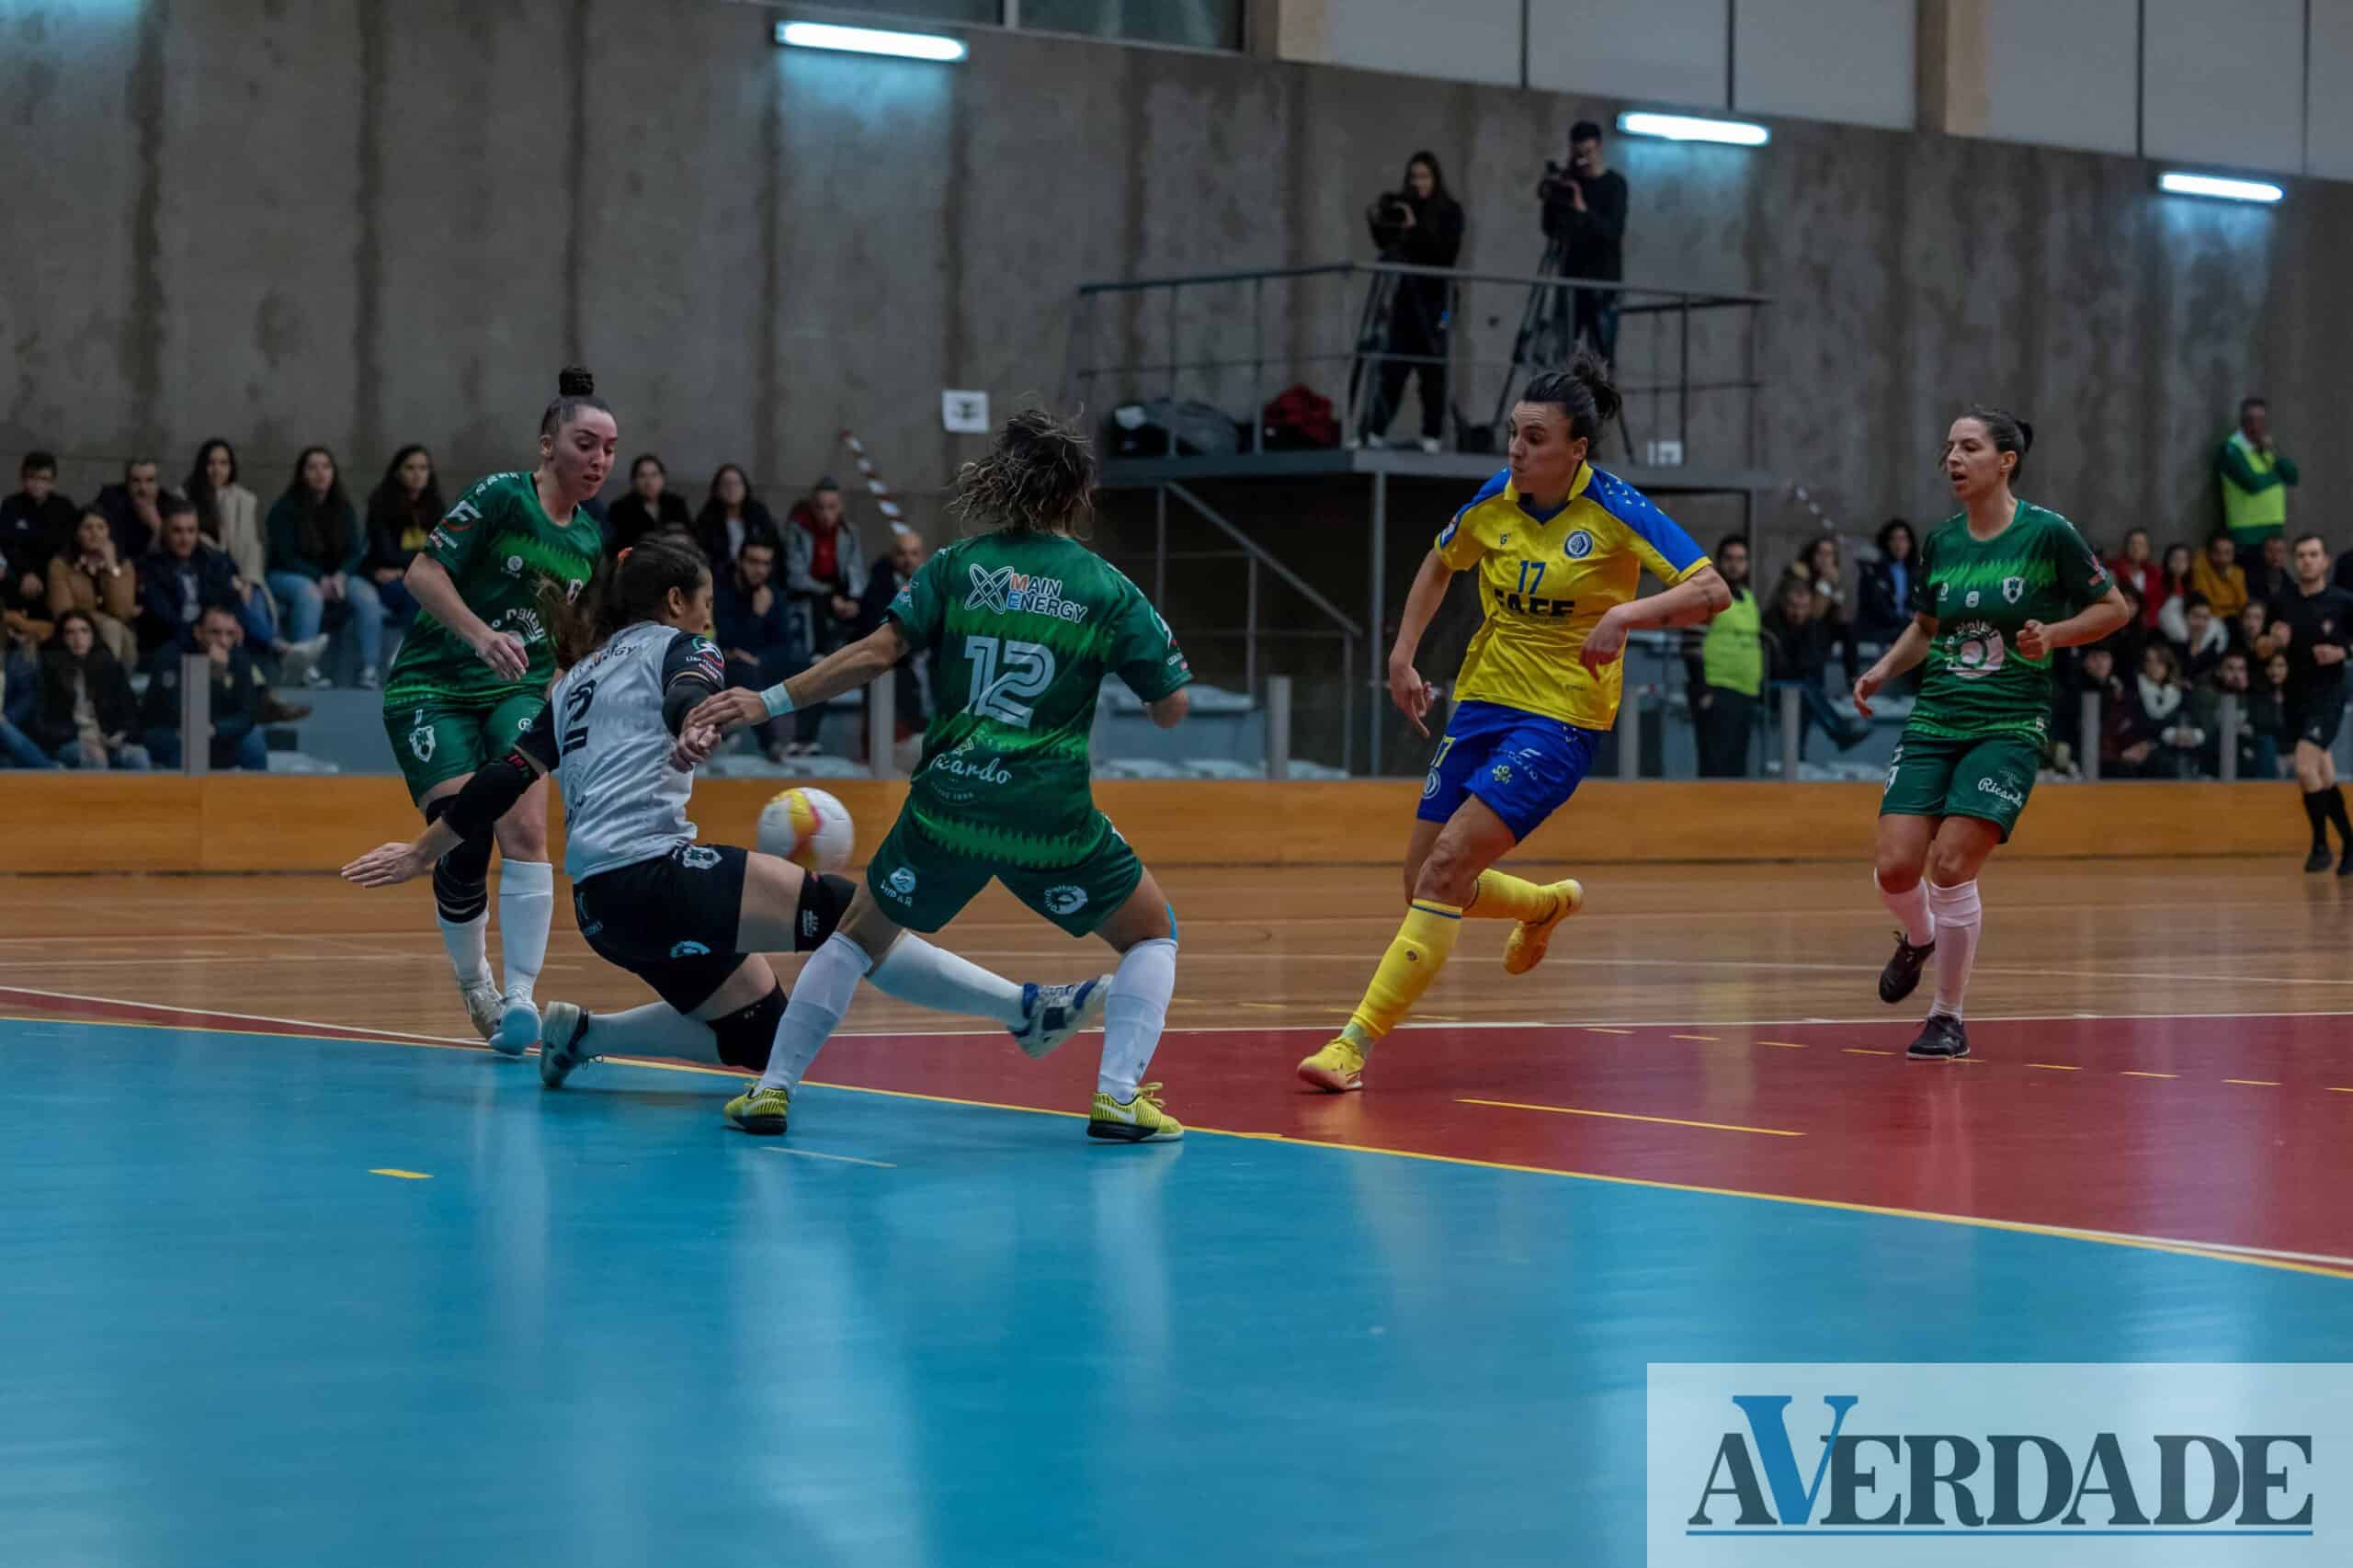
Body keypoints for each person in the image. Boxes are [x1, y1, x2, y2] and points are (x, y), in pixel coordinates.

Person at [340, 535, 1108, 1099]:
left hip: (604, 911)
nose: (709, 621)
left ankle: (583, 1037)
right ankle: (1023, 1011)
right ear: (677, 603)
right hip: (659, 875)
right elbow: (688, 688)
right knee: (857, 912)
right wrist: (693, 721)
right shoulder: (682, 648)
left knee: (760, 1033)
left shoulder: (572, 684)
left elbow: (501, 779)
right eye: (705, 605)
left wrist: (423, 851)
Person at [688, 410, 1199, 1142]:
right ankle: (1117, 1096)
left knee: (857, 935)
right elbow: (1172, 710)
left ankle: (772, 1090)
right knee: (1153, 933)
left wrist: (767, 700)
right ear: (1075, 495)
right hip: (1048, 817)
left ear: (1002, 483)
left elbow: (872, 654)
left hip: (948, 805)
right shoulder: (1106, 588)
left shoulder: (958, 566)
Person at [1299, 355, 1730, 1093]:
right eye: (1513, 434)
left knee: (1446, 869)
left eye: (1535, 439)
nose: (1517, 451)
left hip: (1562, 716)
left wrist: (1627, 614)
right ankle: (1543, 904)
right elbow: (1441, 563)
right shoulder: (1494, 499)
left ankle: (1352, 1044)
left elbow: (1713, 590)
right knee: (1421, 881)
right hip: (1482, 700)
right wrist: (1403, 656)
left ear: (1577, 450)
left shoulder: (1618, 510)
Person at [1855, 408, 2129, 1059]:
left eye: (1969, 447)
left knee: (1951, 863)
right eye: (1948, 447)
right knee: (1896, 869)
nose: (1952, 458)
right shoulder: (1943, 542)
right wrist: (1882, 671)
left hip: (2008, 720)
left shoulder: (2047, 534)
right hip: (1936, 716)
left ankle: (1947, 1015)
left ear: (2005, 461)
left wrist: (2054, 635)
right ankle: (1919, 938)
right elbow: (1926, 627)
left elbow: (2114, 608)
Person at [379, 368, 611, 1050]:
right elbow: (422, 572)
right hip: (433, 684)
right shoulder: (502, 498)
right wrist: (481, 636)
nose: (598, 460)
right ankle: (474, 980)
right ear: (548, 446)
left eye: (609, 448)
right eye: (584, 444)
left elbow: (567, 643)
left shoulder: (590, 542)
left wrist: (568, 696)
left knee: (527, 832)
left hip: (517, 690)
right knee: (464, 834)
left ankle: (519, 998)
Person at [1360, 151, 1465, 453]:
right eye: (1413, 177)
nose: (1417, 183)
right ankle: (1375, 431)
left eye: (1423, 177)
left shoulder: (1449, 212)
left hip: (1439, 302)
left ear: (1435, 179)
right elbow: (1387, 245)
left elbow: (1445, 255)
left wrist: (1414, 228)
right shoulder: (1404, 206)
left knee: (1433, 370)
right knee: (1392, 368)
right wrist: (1378, 220)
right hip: (1406, 300)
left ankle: (1432, 435)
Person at [2264, 532, 2353, 872]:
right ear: (2294, 560)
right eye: (2301, 555)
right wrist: (2272, 641)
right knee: (2323, 775)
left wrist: (2342, 652)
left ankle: (2320, 847)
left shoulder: (2343, 602)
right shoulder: (2282, 601)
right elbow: (2260, 648)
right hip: (2296, 694)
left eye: (2314, 554)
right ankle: (2350, 844)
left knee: (2303, 767)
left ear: (2326, 560)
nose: (2307, 560)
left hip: (2330, 694)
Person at [266, 446, 384, 687]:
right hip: (287, 574)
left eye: (326, 466)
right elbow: (285, 555)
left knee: (368, 596)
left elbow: (355, 551)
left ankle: (369, 669)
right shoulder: (284, 509)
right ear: (302, 474)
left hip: (334, 577)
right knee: (310, 595)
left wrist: (341, 576)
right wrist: (320, 579)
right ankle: (305, 667)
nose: (320, 473)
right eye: (312, 467)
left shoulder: (343, 507)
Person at [184, 438, 304, 673]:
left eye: (223, 463)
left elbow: (251, 544)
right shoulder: (185, 496)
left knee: (255, 599)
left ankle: (268, 667)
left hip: (240, 574)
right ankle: (278, 653)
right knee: (240, 606)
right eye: (211, 463)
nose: (217, 469)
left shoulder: (244, 500)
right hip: (208, 575)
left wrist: (248, 580)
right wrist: (233, 582)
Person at [781, 477, 868, 756]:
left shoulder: (849, 532)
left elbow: (856, 571)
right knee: (814, 668)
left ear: (840, 507)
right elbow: (796, 576)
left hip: (839, 600)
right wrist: (829, 597)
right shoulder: (797, 530)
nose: (826, 514)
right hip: (807, 602)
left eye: (832, 507)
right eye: (820, 507)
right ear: (811, 507)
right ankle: (804, 737)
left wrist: (853, 600)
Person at [1540, 121, 1629, 367]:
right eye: (1578, 154)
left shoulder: (1615, 185)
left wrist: (1582, 208)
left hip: (1603, 285)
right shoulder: (1569, 183)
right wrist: (1554, 194)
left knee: (1602, 360)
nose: (1583, 160)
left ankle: (1602, 405)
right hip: (1570, 281)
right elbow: (1550, 228)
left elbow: (1612, 232)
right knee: (1564, 355)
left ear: (1599, 148)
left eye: (1588, 152)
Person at [141, 604, 269, 771]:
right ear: (198, 632)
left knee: (254, 739)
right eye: (215, 633)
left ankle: (256, 795)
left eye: (230, 634)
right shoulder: (171, 656)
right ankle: (188, 795)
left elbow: (247, 715)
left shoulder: (239, 658)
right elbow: (176, 711)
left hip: (215, 732)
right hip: (172, 733)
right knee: (192, 741)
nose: (223, 641)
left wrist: (216, 729)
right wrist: (213, 675)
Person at [710, 534, 796, 763]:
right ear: (740, 561)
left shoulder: (773, 595)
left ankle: (801, 741)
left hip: (760, 664)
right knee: (741, 669)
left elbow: (784, 644)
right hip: (726, 667)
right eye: (753, 561)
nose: (759, 569)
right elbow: (728, 640)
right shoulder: (721, 591)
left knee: (801, 661)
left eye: (765, 563)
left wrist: (758, 660)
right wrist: (757, 615)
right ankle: (771, 744)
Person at [137, 494, 251, 655]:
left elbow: (232, 600)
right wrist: (202, 636)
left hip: (214, 637)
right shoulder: (150, 567)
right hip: (172, 642)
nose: (185, 539)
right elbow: (164, 618)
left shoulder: (212, 561)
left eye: (191, 531)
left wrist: (234, 624)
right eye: (177, 531)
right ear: (164, 531)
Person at [1684, 533, 1759, 777]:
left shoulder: (1748, 598)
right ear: (1718, 561)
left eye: (1741, 558)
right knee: (1715, 768)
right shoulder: (1708, 595)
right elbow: (1691, 644)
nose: (1735, 564)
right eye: (1729, 558)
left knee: (1737, 769)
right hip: (1715, 692)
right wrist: (1702, 690)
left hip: (1745, 691)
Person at [35, 609, 150, 770]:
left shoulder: (109, 666)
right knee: (95, 758)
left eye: (84, 631)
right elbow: (40, 725)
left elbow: (131, 715)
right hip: (71, 742)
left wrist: (120, 736)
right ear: (62, 638)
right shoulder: (49, 670)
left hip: (108, 739)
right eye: (70, 633)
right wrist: (78, 735)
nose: (78, 639)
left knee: (138, 757)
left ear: (92, 635)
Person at [46, 508, 138, 665]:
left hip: (120, 633)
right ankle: (103, 681)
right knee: (111, 627)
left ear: (109, 532)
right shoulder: (61, 565)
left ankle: (111, 681)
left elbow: (123, 612)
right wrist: (104, 620)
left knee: (115, 630)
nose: (95, 533)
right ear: (76, 533)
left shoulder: (123, 565)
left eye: (101, 527)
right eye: (88, 528)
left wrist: (111, 567)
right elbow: (64, 612)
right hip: (75, 631)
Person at [363, 445, 442, 626]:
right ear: (397, 472)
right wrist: (421, 562)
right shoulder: (381, 504)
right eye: (410, 468)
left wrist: (409, 565)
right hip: (386, 579)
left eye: (423, 468)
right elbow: (387, 554)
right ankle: (406, 651)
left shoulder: (435, 506)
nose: (417, 474)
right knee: (416, 594)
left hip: (418, 576)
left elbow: (440, 552)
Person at [2217, 396, 2297, 554]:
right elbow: (2252, 483)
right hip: (2247, 532)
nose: (2255, 426)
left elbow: (2292, 477)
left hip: (2273, 529)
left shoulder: (2267, 449)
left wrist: (2274, 451)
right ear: (2241, 422)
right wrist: (2278, 476)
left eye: (2261, 420)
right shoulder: (2231, 449)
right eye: (2250, 420)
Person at [2, 451, 77, 599]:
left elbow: (69, 544)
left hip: (54, 571)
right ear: (22, 480)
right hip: (18, 571)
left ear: (52, 483)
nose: (37, 484)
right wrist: (26, 572)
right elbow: (7, 544)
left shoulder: (64, 507)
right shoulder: (11, 504)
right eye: (32, 478)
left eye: (44, 479)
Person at [692, 463, 778, 573]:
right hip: (719, 578)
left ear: (745, 487)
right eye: (726, 484)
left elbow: (773, 550)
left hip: (758, 575)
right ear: (716, 489)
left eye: (737, 483)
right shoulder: (706, 518)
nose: (732, 488)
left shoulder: (759, 514)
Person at [606, 454, 691, 551]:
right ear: (634, 481)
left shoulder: (676, 504)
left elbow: (689, 536)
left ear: (663, 478)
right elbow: (619, 545)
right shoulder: (620, 509)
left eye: (654, 475)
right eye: (642, 476)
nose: (649, 482)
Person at [1856, 518, 1916, 647]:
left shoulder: (1916, 572)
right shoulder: (1874, 571)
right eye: (1894, 539)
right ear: (1886, 543)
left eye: (1903, 539)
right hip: (1881, 632)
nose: (1898, 544)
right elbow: (1876, 607)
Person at [94, 457, 164, 559]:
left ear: (158, 484)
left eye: (150, 480)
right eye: (136, 481)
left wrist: (157, 526)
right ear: (127, 483)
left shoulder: (167, 504)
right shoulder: (110, 502)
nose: (143, 488)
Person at [2106, 527, 2165, 630]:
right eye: (2133, 543)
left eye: (2141, 544)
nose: (2136, 548)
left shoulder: (2155, 575)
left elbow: (2155, 604)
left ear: (2148, 549)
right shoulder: (2113, 570)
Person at [2188, 533, 2247, 622]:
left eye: (2228, 553)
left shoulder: (2237, 572)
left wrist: (2231, 578)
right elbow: (2206, 604)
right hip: (2209, 620)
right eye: (2217, 552)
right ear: (2209, 553)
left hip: (2234, 620)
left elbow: (2243, 605)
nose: (2222, 558)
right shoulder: (2201, 569)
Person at [2245, 531, 2292, 605]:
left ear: (2286, 554)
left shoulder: (2289, 583)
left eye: (2280, 551)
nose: (2275, 556)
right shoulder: (2250, 577)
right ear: (2262, 552)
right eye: (2270, 551)